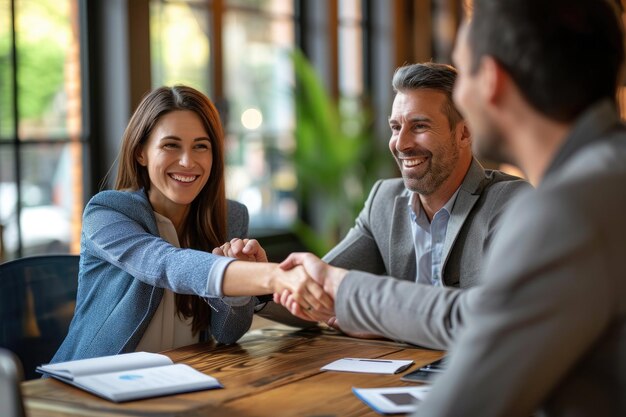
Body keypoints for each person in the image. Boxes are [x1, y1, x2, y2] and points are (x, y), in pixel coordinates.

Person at [284, 0, 626, 415]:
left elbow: (465, 395)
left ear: (492, 81)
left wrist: (346, 290)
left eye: (464, 71)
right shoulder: (605, 178)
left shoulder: (567, 209)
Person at [52, 85, 331, 363]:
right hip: (91, 384)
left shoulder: (230, 217)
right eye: (171, 145)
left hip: (180, 383)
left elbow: (228, 333)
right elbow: (165, 263)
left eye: (201, 146)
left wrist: (239, 292)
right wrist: (269, 276)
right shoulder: (107, 211)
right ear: (141, 153)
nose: (187, 161)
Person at [269, 63, 529, 344]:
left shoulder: (511, 204)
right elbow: (316, 292)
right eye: (395, 127)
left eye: (419, 126)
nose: (401, 144)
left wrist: (385, 323)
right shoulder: (384, 201)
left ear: (464, 133)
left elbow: (494, 323)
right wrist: (257, 279)